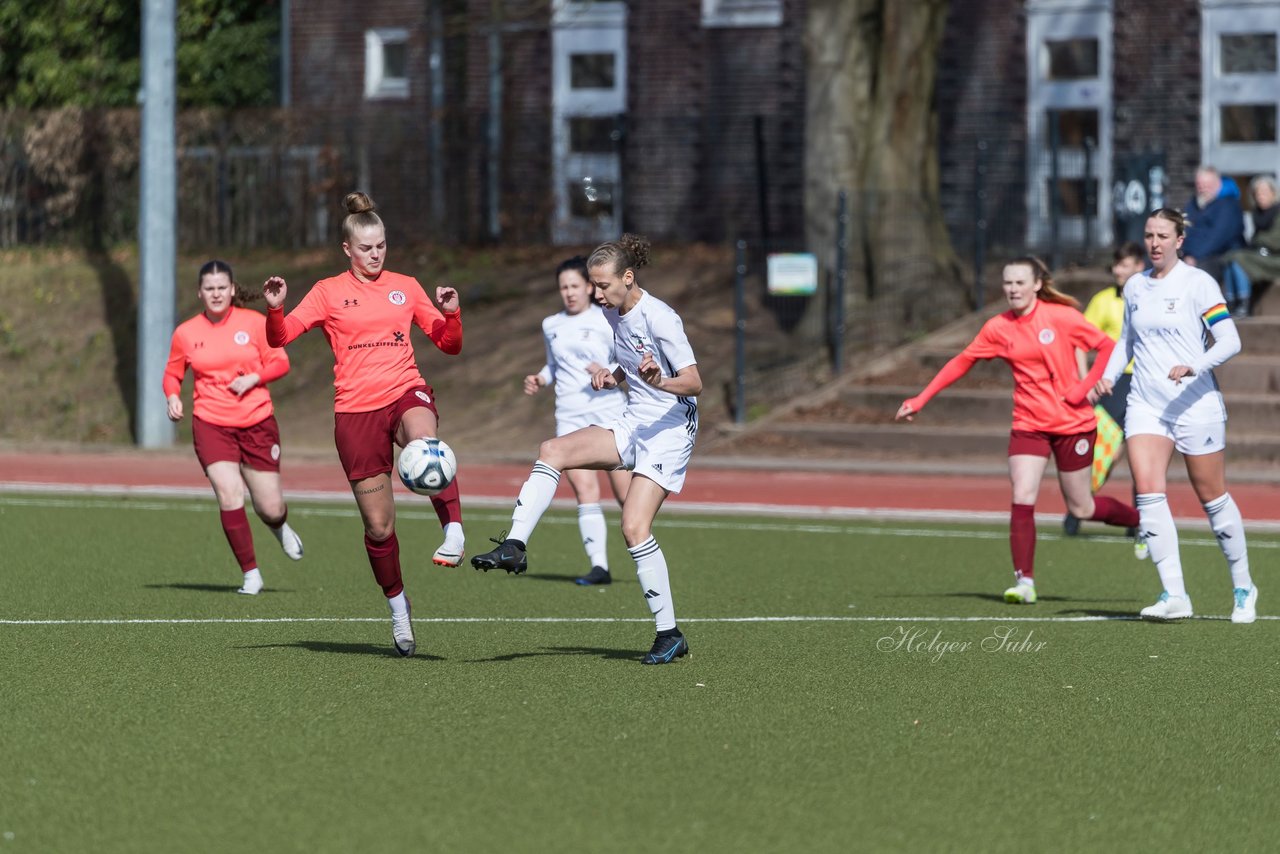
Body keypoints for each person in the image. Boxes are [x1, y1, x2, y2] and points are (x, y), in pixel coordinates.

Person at [472, 234, 702, 665]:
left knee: (634, 528)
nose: (597, 294)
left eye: (602, 286)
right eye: (593, 286)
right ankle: (515, 545)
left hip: (670, 429)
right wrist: (615, 376)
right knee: (552, 449)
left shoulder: (662, 318)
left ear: (627, 278)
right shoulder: (615, 313)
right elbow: (633, 360)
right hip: (635, 420)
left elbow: (693, 382)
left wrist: (658, 382)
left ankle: (669, 634)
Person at [262, 192, 464, 657]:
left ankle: (453, 529)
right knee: (379, 527)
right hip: (355, 412)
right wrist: (275, 308)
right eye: (367, 248)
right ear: (347, 250)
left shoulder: (406, 286)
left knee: (425, 441)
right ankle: (397, 606)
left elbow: (448, 344)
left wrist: (451, 314)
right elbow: (281, 338)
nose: (376, 255)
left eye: (382, 246)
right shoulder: (328, 291)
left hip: (403, 390)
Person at [895, 256, 1140, 604]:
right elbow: (962, 361)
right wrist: (922, 398)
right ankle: (1024, 582)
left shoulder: (1061, 316)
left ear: (1037, 284)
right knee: (1022, 496)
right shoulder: (998, 327)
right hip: (1029, 423)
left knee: (1082, 507)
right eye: (1007, 283)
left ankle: (1141, 521)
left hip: (1073, 424)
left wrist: (1084, 387)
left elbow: (1108, 347)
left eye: (1020, 283)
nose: (1012, 289)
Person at [1095, 208, 1256, 623]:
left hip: (1195, 404)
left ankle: (1243, 586)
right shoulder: (1134, 286)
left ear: (1179, 239)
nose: (1154, 243)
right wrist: (1108, 377)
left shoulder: (1198, 284)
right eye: (1149, 235)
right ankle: (1174, 594)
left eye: (1163, 235)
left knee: (1212, 497)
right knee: (1148, 494)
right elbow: (1126, 340)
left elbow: (1230, 340)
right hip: (1146, 405)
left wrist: (1194, 365)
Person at [163, 260, 304, 595]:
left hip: (257, 422)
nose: (215, 294)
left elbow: (281, 361)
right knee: (229, 493)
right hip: (211, 423)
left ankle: (279, 526)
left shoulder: (255, 324)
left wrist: (256, 377)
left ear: (231, 289)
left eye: (221, 288)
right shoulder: (186, 332)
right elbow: (173, 373)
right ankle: (251, 574)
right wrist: (172, 397)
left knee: (269, 506)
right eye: (208, 289)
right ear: (200, 292)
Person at [523, 256, 631, 586]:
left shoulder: (606, 319)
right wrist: (541, 378)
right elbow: (554, 365)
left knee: (628, 498)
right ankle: (599, 567)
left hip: (610, 414)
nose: (569, 293)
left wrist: (606, 370)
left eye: (574, 286)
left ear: (588, 287)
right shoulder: (551, 325)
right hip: (569, 417)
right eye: (563, 287)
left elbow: (625, 361)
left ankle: (645, 552)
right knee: (585, 491)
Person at [1063, 241, 1147, 549]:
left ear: (1139, 266)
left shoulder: (1151, 295)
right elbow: (1078, 341)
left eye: (1124, 265)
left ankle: (1140, 520)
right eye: (1116, 265)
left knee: (1142, 452)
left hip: (1144, 381)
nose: (1118, 271)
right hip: (1111, 383)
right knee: (1105, 451)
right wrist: (1087, 381)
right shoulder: (1102, 300)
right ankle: (1079, 507)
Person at [1221, 174, 1280, 318]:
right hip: (1260, 255)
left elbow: (1274, 241)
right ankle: (1232, 301)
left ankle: (1244, 303)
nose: (1261, 196)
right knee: (1230, 258)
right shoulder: (1258, 214)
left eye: (1264, 192)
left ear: (1273, 193)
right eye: (1258, 193)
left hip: (1275, 259)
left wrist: (1258, 242)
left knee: (1240, 258)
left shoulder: (1277, 212)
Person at [1181, 165, 1245, 285]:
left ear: (1218, 184)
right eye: (1200, 184)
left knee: (1199, 276)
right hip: (1192, 255)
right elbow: (1186, 231)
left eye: (1208, 184)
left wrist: (1194, 256)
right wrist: (1187, 254)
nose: (1203, 188)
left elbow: (1218, 237)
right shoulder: (1193, 204)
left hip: (1221, 256)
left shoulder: (1228, 205)